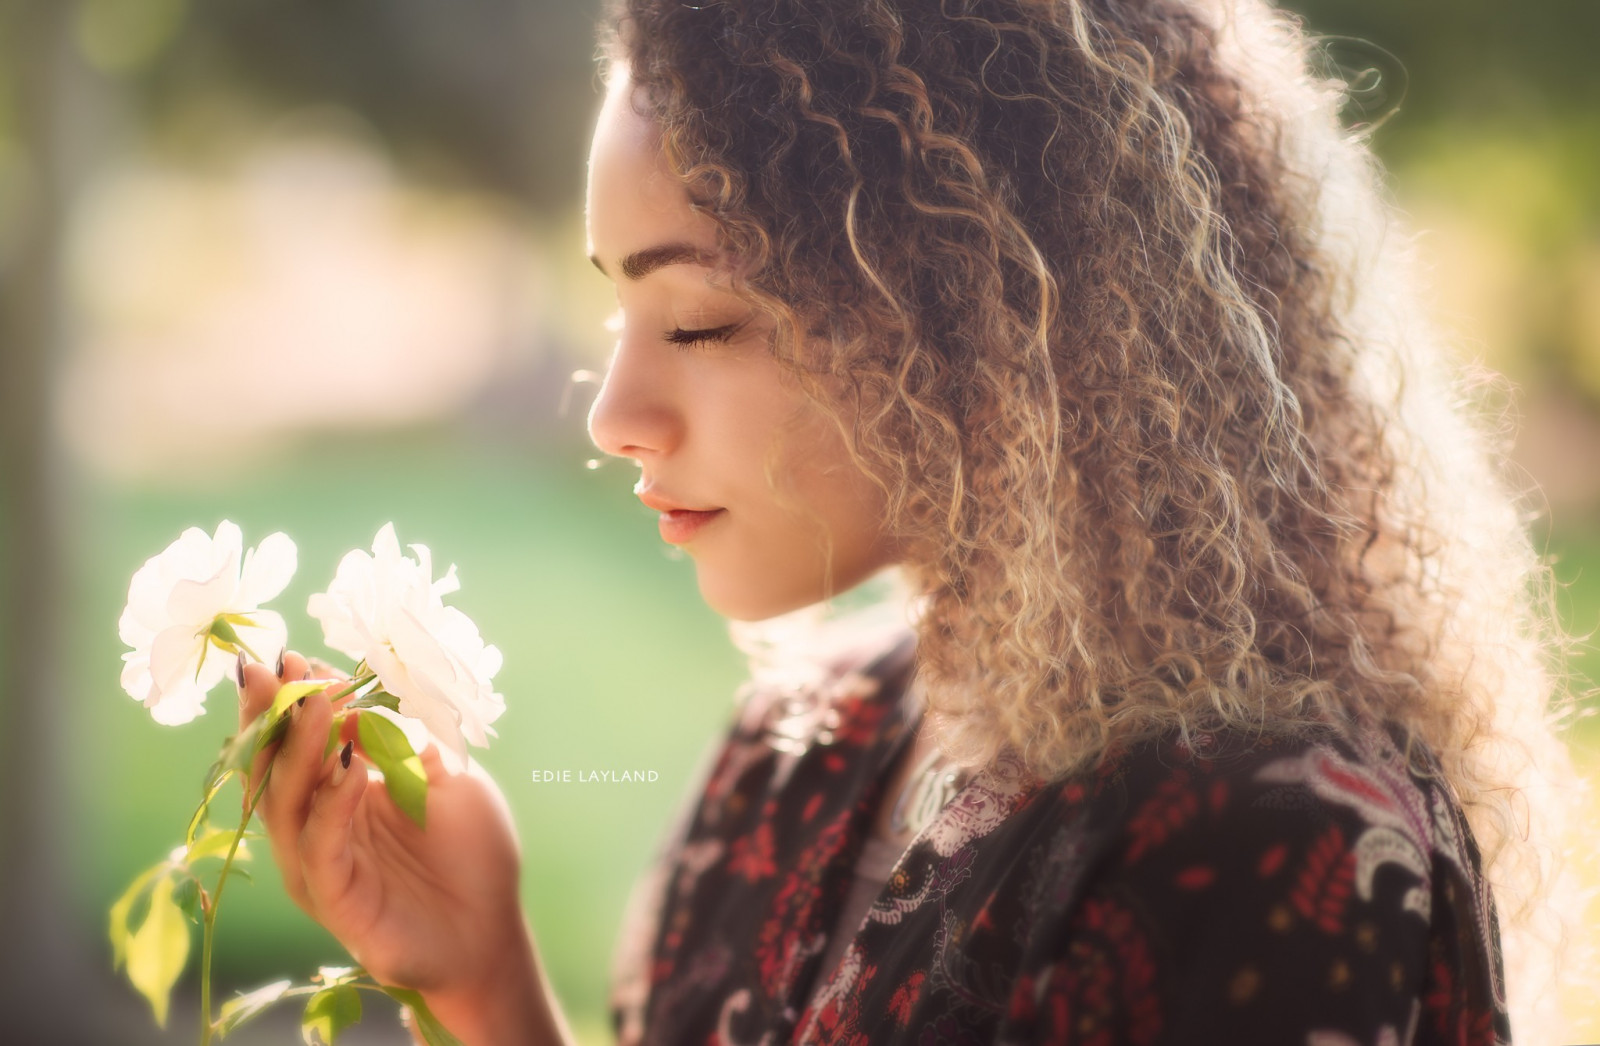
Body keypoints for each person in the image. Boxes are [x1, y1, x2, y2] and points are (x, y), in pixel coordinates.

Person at [236, 0, 1585, 1043]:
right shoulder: (804, 740)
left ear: (988, 308)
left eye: (700, 318)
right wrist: (483, 981)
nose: (614, 413)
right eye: (619, 312)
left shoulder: (1278, 845)